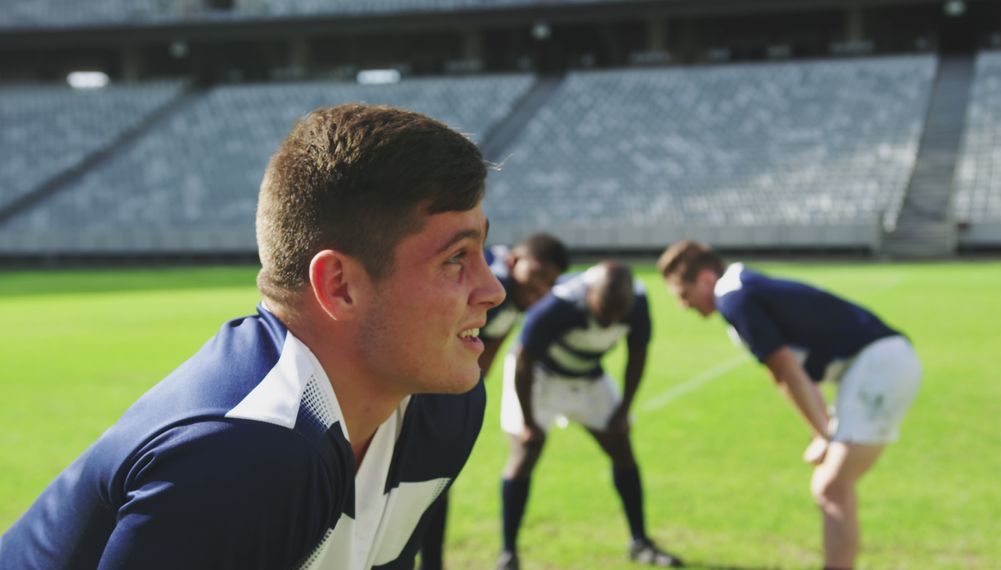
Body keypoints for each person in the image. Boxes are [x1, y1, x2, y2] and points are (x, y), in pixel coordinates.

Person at [0, 104, 506, 569]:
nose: (493, 290)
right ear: (340, 286)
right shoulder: (241, 455)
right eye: (456, 259)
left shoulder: (444, 406)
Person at [657, 240, 921, 570]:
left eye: (684, 295)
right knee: (830, 487)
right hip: (877, 366)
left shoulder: (733, 298)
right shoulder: (741, 289)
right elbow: (794, 373)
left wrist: (823, 435)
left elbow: (785, 370)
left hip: (878, 366)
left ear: (707, 278)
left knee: (831, 487)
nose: (685, 306)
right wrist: (821, 431)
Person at [496, 261, 684, 570]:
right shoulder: (558, 305)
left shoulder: (637, 302)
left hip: (588, 376)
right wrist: (529, 422)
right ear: (588, 296)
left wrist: (624, 410)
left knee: (621, 446)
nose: (610, 324)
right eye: (602, 314)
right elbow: (523, 361)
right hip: (539, 377)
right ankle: (508, 554)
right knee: (525, 452)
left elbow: (638, 355)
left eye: (616, 317)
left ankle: (640, 541)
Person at [418, 233, 568, 570]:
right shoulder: (493, 283)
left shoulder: (512, 297)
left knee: (433, 484)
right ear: (515, 260)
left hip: (441, 394)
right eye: (540, 274)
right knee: (423, 484)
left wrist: (463, 399)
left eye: (551, 282)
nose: (543, 288)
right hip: (419, 393)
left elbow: (486, 356)